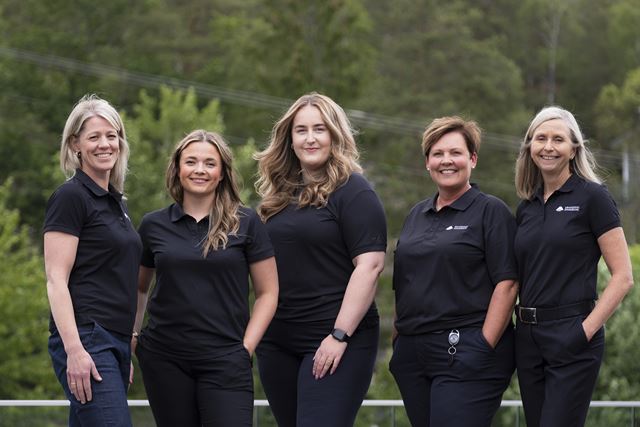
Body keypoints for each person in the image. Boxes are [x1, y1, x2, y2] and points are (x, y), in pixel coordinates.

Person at [254, 92, 387, 427]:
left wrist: (339, 336)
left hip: (336, 338)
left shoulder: (354, 191)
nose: (310, 138)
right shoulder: (277, 197)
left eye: (319, 129)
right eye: (301, 130)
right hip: (278, 343)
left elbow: (370, 266)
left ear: (335, 135)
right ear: (290, 139)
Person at [133, 130, 278, 427]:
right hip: (165, 359)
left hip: (227, 360)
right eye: (191, 162)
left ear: (222, 173)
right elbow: (138, 288)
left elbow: (268, 293)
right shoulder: (153, 225)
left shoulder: (246, 223)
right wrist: (133, 338)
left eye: (210, 163)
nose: (200, 170)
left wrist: (246, 349)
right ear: (178, 169)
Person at [390, 116, 518, 427]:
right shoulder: (416, 215)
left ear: (472, 159)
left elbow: (508, 284)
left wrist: (483, 346)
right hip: (413, 355)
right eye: (437, 153)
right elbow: (404, 282)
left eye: (455, 152)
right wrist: (398, 344)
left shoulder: (491, 211)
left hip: (466, 349)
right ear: (427, 163)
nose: (446, 160)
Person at [514, 106, 634, 427]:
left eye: (558, 139)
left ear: (573, 149)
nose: (548, 146)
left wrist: (585, 331)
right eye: (540, 138)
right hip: (527, 338)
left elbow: (623, 277)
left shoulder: (593, 197)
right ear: (530, 146)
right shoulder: (526, 207)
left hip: (572, 333)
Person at [44, 94, 141, 426]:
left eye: (111, 135)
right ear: (76, 144)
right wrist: (74, 350)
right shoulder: (71, 196)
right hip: (87, 339)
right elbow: (56, 280)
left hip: (113, 342)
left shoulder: (116, 203)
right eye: (94, 137)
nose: (105, 144)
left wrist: (123, 349)